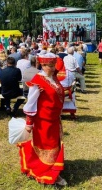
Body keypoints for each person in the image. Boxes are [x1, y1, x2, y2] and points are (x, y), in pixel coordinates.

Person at [18, 53, 67, 186]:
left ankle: (53, 167)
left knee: (55, 144)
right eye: (49, 66)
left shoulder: (54, 77)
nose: (52, 68)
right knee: (48, 146)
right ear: (42, 65)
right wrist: (29, 123)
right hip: (43, 121)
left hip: (54, 119)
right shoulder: (37, 81)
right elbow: (31, 104)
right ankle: (50, 172)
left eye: (53, 65)